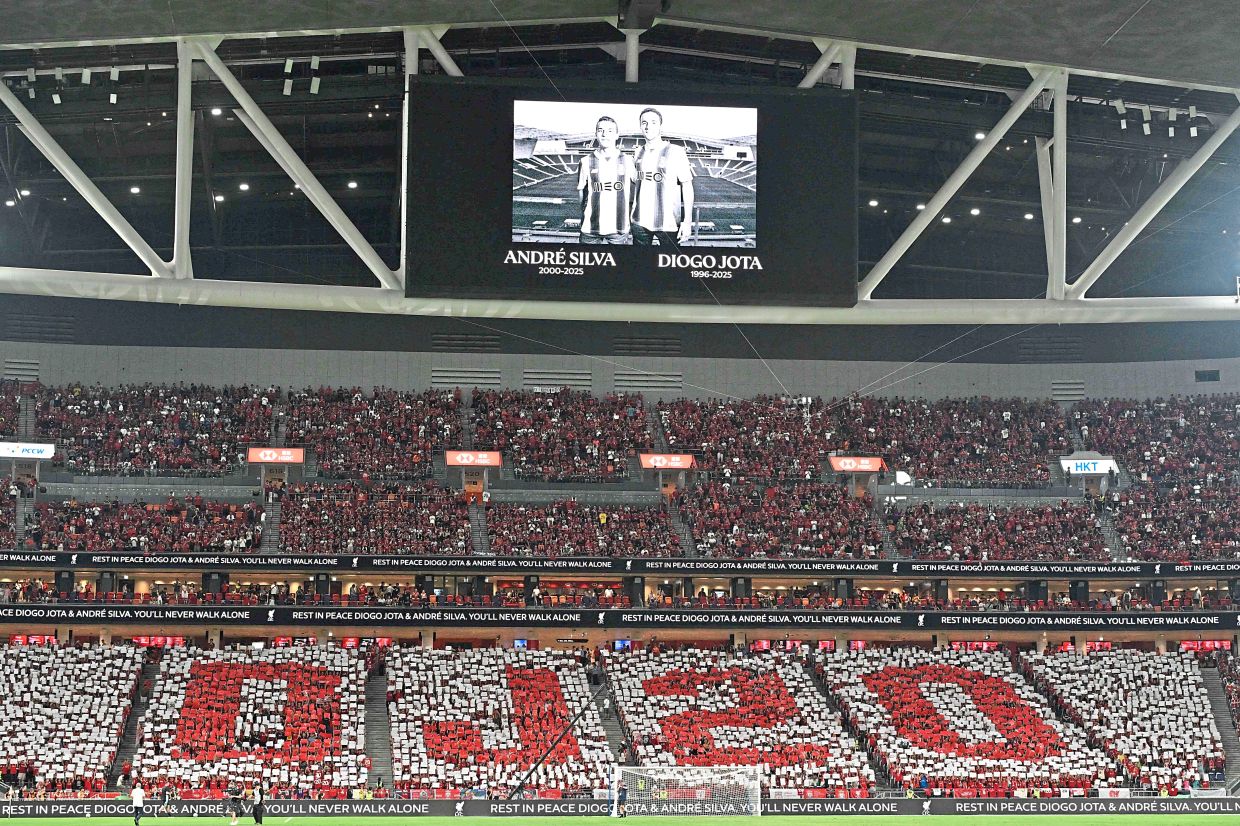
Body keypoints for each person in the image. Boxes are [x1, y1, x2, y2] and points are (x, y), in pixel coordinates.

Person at [631, 107, 694, 247]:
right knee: (638, 264)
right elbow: (636, 183)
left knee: (669, 265)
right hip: (639, 222)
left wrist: (687, 222)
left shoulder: (676, 151)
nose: (648, 126)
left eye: (653, 122)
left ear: (660, 126)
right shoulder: (637, 153)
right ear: (640, 126)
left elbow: (687, 186)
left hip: (668, 224)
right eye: (644, 122)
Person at [576, 116, 635, 244]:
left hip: (618, 229)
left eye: (609, 131)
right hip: (589, 229)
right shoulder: (585, 161)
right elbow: (581, 193)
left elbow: (640, 189)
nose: (604, 134)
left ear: (617, 135)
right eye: (600, 130)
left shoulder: (628, 160)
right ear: (596, 134)